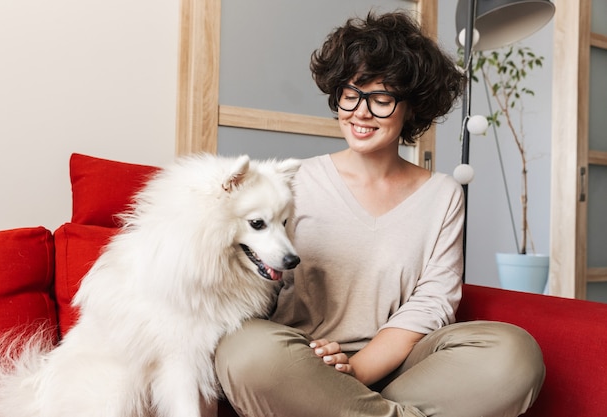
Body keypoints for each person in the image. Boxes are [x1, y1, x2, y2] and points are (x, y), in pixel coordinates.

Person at [215, 11, 545, 417]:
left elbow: (432, 302)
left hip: (403, 368)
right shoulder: (292, 182)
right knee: (244, 349)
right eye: (350, 94)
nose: (360, 112)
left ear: (412, 107)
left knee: (513, 352)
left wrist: (355, 370)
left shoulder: (442, 194)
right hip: (300, 364)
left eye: (382, 98)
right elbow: (249, 281)